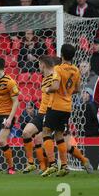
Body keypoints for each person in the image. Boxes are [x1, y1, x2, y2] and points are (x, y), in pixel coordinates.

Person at [22, 56, 93, 174]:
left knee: (63, 143)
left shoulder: (55, 78)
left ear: (44, 65)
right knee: (27, 133)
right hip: (42, 113)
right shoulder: (46, 77)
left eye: (39, 65)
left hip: (52, 111)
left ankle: (82, 160)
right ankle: (35, 165)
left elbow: (60, 90)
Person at [41, 44, 81, 177]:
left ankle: (52, 164)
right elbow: (77, 89)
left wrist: (47, 89)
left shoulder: (58, 68)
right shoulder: (76, 70)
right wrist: (67, 92)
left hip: (55, 106)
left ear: (62, 55)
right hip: (67, 107)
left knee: (46, 132)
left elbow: (55, 86)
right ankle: (64, 165)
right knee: (59, 135)